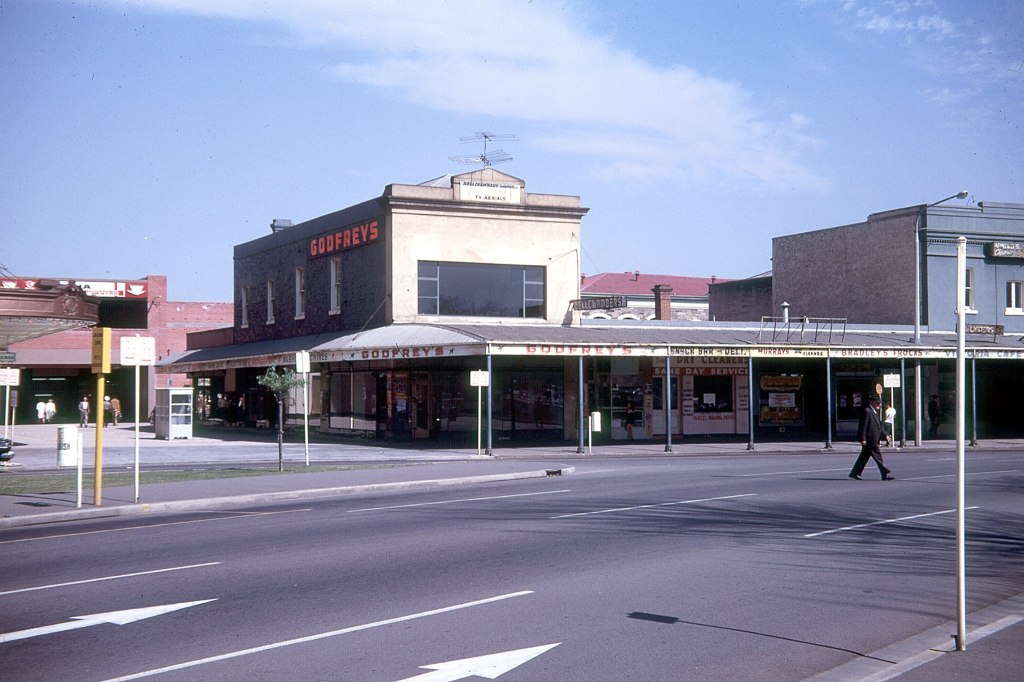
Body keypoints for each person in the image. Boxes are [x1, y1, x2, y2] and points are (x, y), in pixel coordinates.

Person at [849, 393, 893, 481]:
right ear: (871, 402)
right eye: (877, 403)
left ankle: (854, 473)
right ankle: (884, 474)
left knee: (863, 457)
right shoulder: (867, 411)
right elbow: (863, 426)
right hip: (870, 440)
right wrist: (863, 439)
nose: (879, 405)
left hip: (873, 439)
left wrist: (886, 435)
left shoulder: (875, 412)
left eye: (879, 403)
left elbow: (879, 426)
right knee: (878, 456)